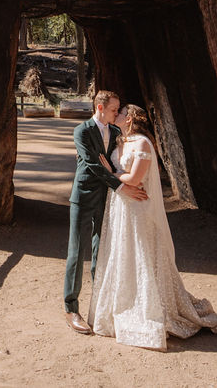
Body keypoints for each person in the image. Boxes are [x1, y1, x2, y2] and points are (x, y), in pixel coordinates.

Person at [88, 103, 217, 350]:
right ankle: (124, 302)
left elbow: (135, 179)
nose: (116, 114)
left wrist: (111, 173)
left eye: (120, 112)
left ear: (129, 119)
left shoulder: (142, 143)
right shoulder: (121, 141)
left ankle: (151, 307)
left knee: (142, 253)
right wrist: (116, 177)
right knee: (124, 253)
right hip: (121, 206)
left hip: (138, 209)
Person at [64, 90, 148, 335]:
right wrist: (123, 187)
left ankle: (100, 305)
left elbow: (113, 165)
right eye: (114, 109)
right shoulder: (81, 131)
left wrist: (123, 183)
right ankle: (71, 308)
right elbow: (92, 164)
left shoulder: (117, 133)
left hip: (108, 200)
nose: (117, 113)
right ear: (100, 108)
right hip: (83, 196)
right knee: (77, 252)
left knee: (103, 251)